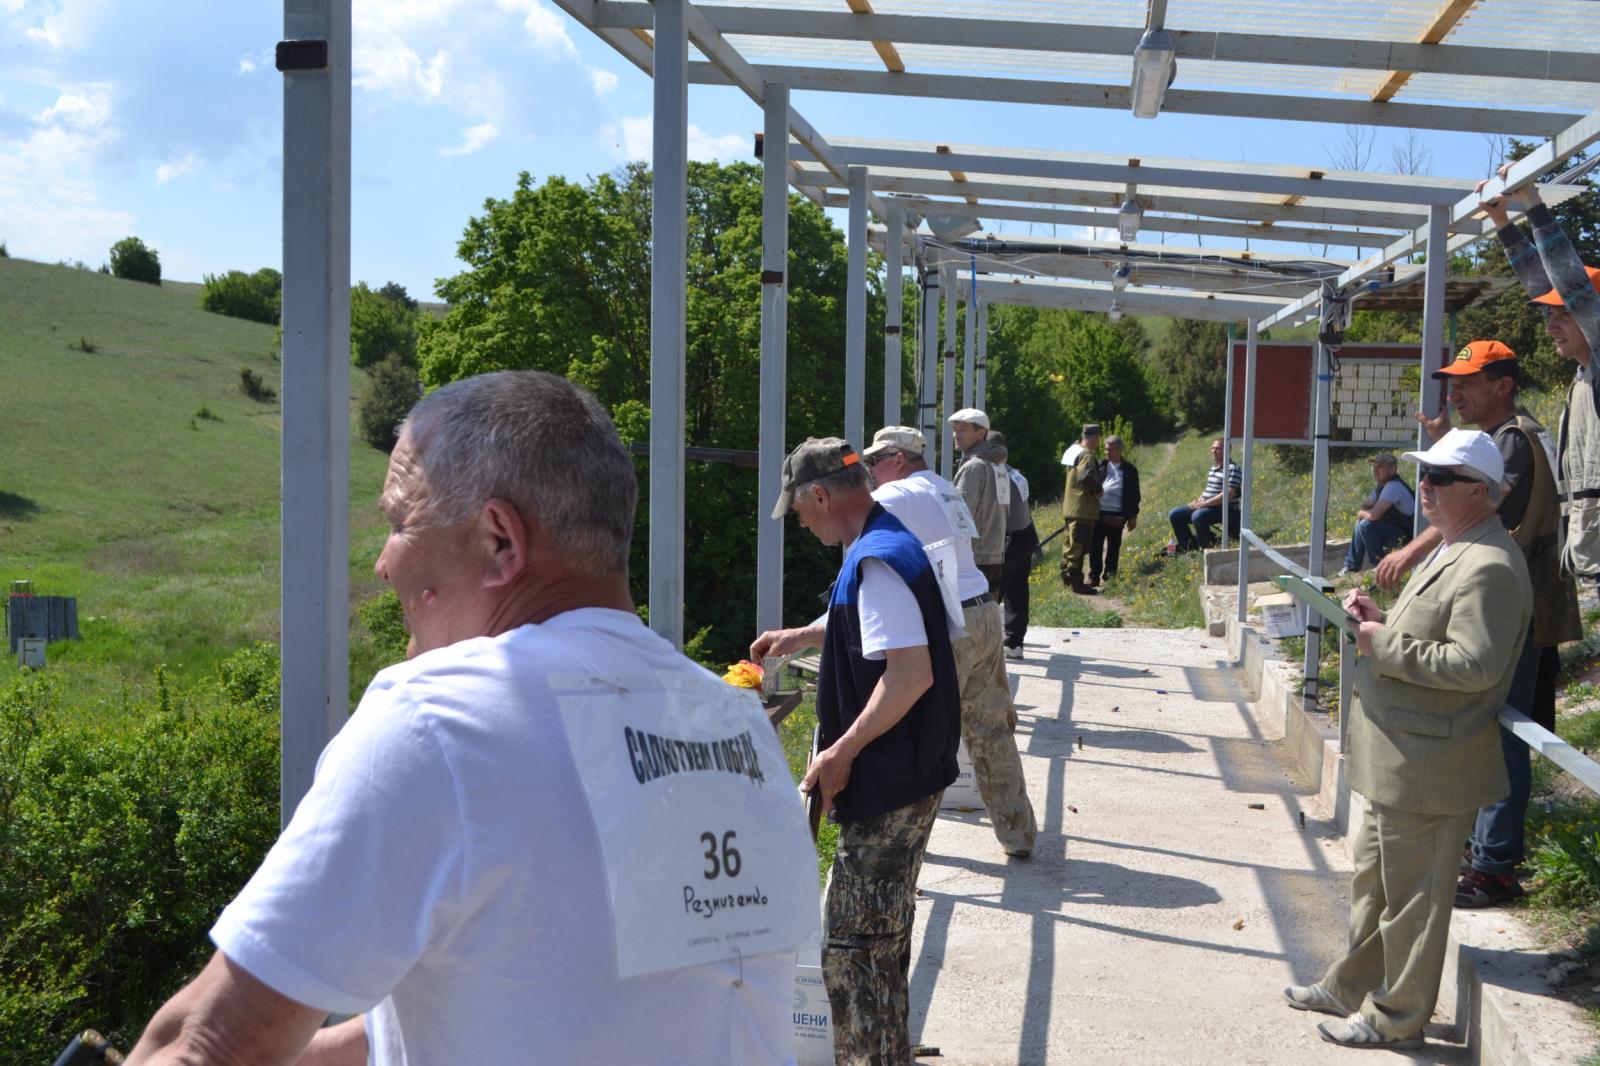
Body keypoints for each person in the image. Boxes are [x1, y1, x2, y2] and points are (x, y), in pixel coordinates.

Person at [126, 371, 814, 1065]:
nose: (383, 563)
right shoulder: (736, 727)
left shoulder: (435, 721)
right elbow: (563, 993)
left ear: (499, 542)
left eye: (399, 523)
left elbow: (207, 1045)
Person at [1285, 428, 1530, 1051]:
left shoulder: (1491, 564)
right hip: (1401, 754)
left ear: (1479, 491)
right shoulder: (1455, 547)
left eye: (1440, 478)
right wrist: (1380, 622)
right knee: (1376, 889)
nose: (1425, 486)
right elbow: (1432, 634)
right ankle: (1352, 986)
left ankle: (1396, 1018)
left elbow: (1475, 664)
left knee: (1412, 905)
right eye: (1424, 474)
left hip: (1431, 762)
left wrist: (1383, 644)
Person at [751, 437, 961, 1066]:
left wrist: (841, 751)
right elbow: (874, 623)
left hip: (889, 781)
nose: (800, 522)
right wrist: (800, 635)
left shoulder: (875, 560)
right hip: (912, 772)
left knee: (852, 953)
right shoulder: (884, 541)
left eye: (798, 509)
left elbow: (910, 674)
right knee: (881, 943)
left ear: (819, 495)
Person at [1374, 340, 1580, 907]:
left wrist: (1410, 551)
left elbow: (1481, 507)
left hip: (1508, 611)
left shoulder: (1511, 439)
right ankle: (1483, 852)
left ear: (1503, 385)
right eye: (1453, 382)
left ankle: (1494, 866)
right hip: (1519, 606)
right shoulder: (1512, 435)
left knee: (1500, 731)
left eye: (1468, 382)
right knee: (1499, 726)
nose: (1455, 392)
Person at [863, 425, 1037, 856]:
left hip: (949, 621)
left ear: (897, 460)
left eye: (874, 462)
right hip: (983, 611)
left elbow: (857, 532)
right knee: (992, 730)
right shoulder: (945, 488)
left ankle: (900, 846)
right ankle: (1018, 834)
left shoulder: (896, 494)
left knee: (922, 732)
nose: (870, 472)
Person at [1477, 167, 1600, 591]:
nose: (1550, 327)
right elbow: (1544, 283)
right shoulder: (1585, 376)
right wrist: (1502, 222)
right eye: (1549, 315)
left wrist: (1532, 201)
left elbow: (1572, 285)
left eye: (1563, 315)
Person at [989, 429, 1039, 659]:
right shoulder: (1015, 473)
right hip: (1026, 534)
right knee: (1017, 592)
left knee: (993, 589)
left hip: (1010, 537)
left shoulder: (997, 475)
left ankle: (987, 642)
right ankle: (1014, 642)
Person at [949, 407, 1009, 591]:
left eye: (963, 430)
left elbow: (960, 515)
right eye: (955, 430)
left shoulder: (974, 467)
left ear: (981, 432)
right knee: (988, 607)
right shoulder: (998, 464)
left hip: (974, 556)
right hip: (994, 552)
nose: (956, 435)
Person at [1338, 452, 1414, 576]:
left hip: (1407, 537)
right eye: (1374, 466)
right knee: (1361, 522)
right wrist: (1364, 513)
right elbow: (1366, 505)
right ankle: (1351, 566)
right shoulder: (1381, 487)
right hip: (1395, 531)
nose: (1375, 470)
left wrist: (1362, 513)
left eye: (1380, 467)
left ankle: (1379, 565)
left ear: (1392, 469)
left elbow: (1373, 515)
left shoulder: (1394, 486)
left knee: (1365, 525)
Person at [1168, 437, 1241, 553]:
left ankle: (1206, 547)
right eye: (1212, 448)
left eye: (1218, 448)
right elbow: (1209, 490)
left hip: (1225, 508)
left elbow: (1228, 494)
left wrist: (1203, 504)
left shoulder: (1233, 468)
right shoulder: (1213, 469)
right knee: (1175, 514)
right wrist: (1198, 501)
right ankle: (1189, 546)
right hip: (1209, 506)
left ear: (1227, 451)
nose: (1213, 451)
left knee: (1198, 515)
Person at [1088, 434, 1140, 586]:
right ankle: (1094, 576)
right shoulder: (1100, 466)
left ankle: (1110, 576)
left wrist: (1133, 517)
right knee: (1095, 546)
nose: (1107, 453)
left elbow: (1135, 495)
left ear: (1119, 450)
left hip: (1117, 515)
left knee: (1113, 546)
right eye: (1105, 449)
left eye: (1110, 450)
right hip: (1098, 512)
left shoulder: (1130, 470)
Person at [1059, 423, 1104, 594]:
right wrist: (1097, 490)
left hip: (1071, 507)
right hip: (1082, 509)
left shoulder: (1073, 451)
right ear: (1095, 437)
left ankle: (1067, 579)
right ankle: (1077, 584)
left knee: (1070, 545)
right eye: (1098, 438)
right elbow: (1084, 475)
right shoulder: (1086, 455)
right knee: (1079, 546)